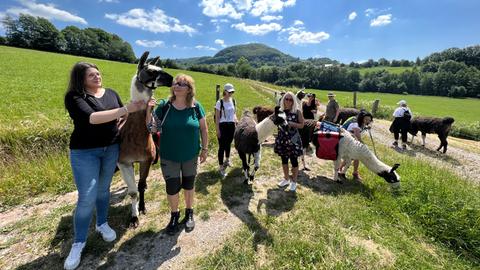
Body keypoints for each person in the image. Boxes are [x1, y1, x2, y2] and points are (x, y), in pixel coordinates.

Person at [63, 62, 145, 270]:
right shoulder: (75, 97)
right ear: (80, 78)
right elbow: (92, 118)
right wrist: (125, 109)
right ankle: (79, 242)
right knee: (87, 196)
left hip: (111, 149)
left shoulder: (110, 93)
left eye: (98, 74)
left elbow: (123, 115)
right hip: (85, 152)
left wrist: (123, 120)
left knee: (103, 190)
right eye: (91, 75)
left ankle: (101, 224)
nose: (97, 77)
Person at [146, 74, 208, 235]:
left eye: (182, 84)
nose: (177, 86)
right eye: (175, 83)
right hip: (169, 156)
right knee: (172, 187)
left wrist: (205, 149)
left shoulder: (196, 106)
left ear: (189, 89)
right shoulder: (165, 107)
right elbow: (152, 128)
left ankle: (189, 212)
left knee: (189, 185)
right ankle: (174, 215)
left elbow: (204, 129)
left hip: (191, 155)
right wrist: (149, 111)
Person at [275, 92, 305, 192]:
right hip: (282, 138)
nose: (288, 101)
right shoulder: (280, 111)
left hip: (293, 140)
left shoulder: (297, 111)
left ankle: (294, 181)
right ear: (283, 100)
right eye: (286, 99)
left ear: (293, 101)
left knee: (294, 161)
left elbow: (302, 125)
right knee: (284, 160)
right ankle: (286, 179)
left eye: (290, 99)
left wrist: (292, 124)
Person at [341, 110, 374, 181]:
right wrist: (364, 145)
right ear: (362, 118)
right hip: (343, 140)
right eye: (366, 119)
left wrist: (366, 127)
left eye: (369, 120)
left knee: (352, 156)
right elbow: (357, 136)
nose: (367, 121)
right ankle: (354, 173)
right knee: (357, 155)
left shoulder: (358, 121)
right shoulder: (355, 123)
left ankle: (341, 168)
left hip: (348, 139)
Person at [215, 83, 238, 178]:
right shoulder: (219, 102)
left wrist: (236, 122)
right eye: (229, 92)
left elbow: (234, 113)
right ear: (224, 91)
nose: (231, 93)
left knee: (228, 143)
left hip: (231, 125)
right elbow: (217, 118)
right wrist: (218, 130)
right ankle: (221, 168)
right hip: (223, 126)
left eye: (232, 92)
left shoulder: (233, 100)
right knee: (222, 146)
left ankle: (227, 160)